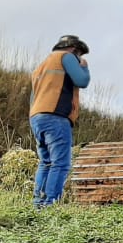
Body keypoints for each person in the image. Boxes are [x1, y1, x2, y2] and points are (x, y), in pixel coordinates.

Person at [29, 35, 90, 207]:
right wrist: (85, 68)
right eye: (80, 54)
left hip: (37, 117)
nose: (80, 58)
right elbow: (82, 80)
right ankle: (50, 204)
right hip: (56, 116)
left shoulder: (41, 66)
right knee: (61, 163)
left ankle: (38, 203)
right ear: (73, 49)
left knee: (46, 162)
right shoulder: (66, 57)